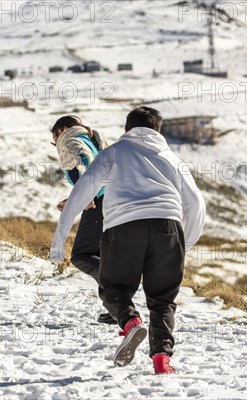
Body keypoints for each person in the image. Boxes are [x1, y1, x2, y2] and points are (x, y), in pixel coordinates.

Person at [50, 107, 206, 374]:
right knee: (162, 299)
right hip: (167, 227)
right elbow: (196, 203)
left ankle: (131, 322)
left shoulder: (114, 153)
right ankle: (161, 360)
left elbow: (81, 191)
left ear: (126, 130)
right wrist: (184, 245)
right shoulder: (172, 158)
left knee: (114, 287)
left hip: (123, 227)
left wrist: (58, 243)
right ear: (158, 131)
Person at [50, 115, 115, 324]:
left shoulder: (69, 140)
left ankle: (119, 282)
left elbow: (86, 164)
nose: (55, 144)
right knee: (98, 255)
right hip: (113, 198)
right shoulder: (94, 139)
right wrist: (73, 199)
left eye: (54, 138)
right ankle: (116, 309)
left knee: (81, 256)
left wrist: (86, 196)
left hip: (98, 201)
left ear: (61, 130)